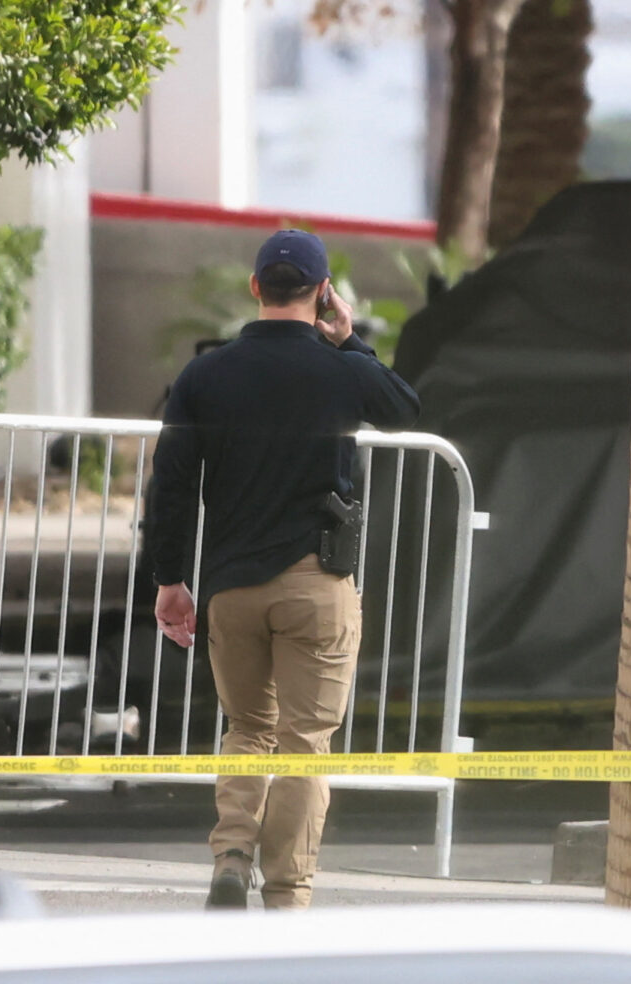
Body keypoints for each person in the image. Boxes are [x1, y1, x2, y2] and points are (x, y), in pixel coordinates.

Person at [147, 230, 421, 910]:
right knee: (304, 740)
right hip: (316, 583)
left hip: (232, 585)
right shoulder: (341, 369)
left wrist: (170, 578)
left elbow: (171, 483)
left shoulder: (204, 375)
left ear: (255, 288)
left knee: (247, 729)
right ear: (324, 293)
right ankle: (288, 892)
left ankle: (232, 854)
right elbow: (405, 407)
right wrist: (351, 339)